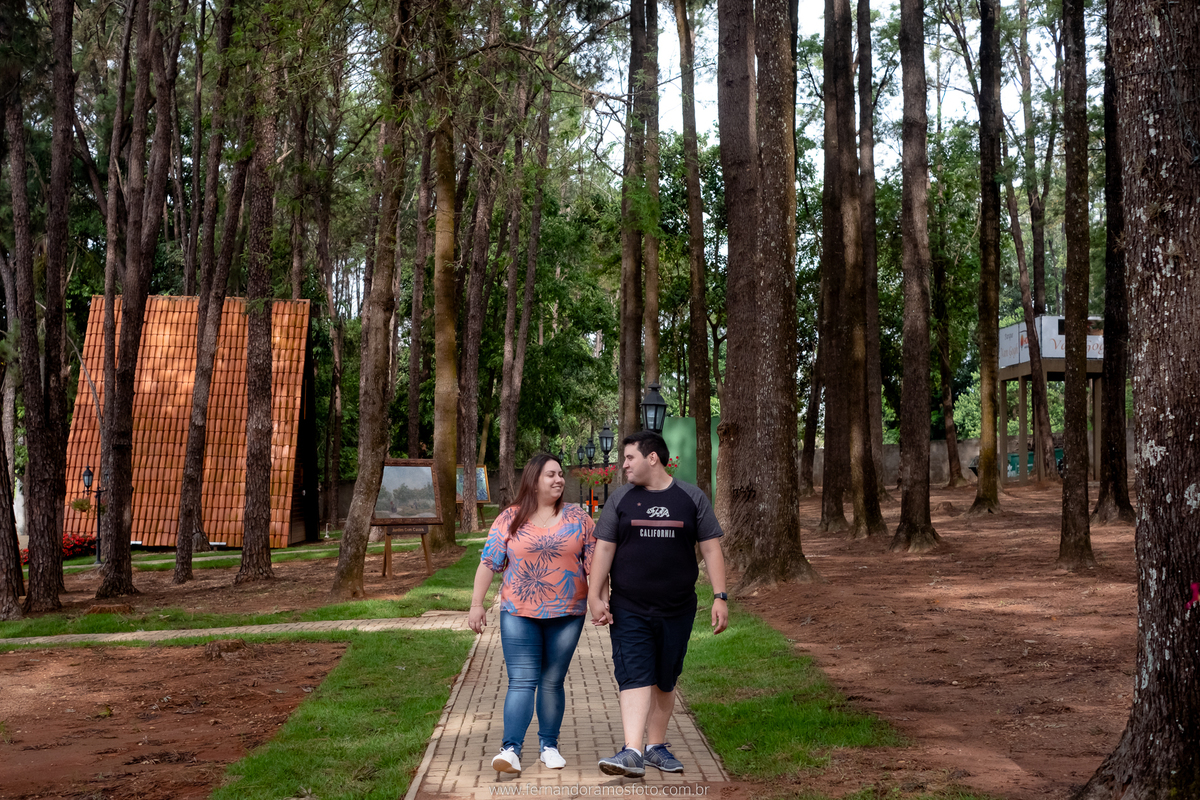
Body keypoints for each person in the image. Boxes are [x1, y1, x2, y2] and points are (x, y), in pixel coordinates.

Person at [587, 430, 728, 778]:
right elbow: (604, 549)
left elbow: (711, 547)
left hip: (677, 608)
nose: (624, 465)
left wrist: (720, 596)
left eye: (630, 458)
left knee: (665, 679)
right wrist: (595, 594)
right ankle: (632, 750)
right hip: (629, 607)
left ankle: (656, 747)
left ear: (652, 458)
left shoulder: (691, 498)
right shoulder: (620, 500)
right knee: (635, 674)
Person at [469, 453, 597, 775]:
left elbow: (596, 563)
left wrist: (600, 600)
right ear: (534, 479)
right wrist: (476, 604)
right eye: (550, 475)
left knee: (552, 681)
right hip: (519, 613)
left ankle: (549, 746)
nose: (558, 480)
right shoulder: (510, 518)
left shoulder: (578, 518)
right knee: (522, 681)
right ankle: (510, 750)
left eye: (560, 474)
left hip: (567, 613)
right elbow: (488, 562)